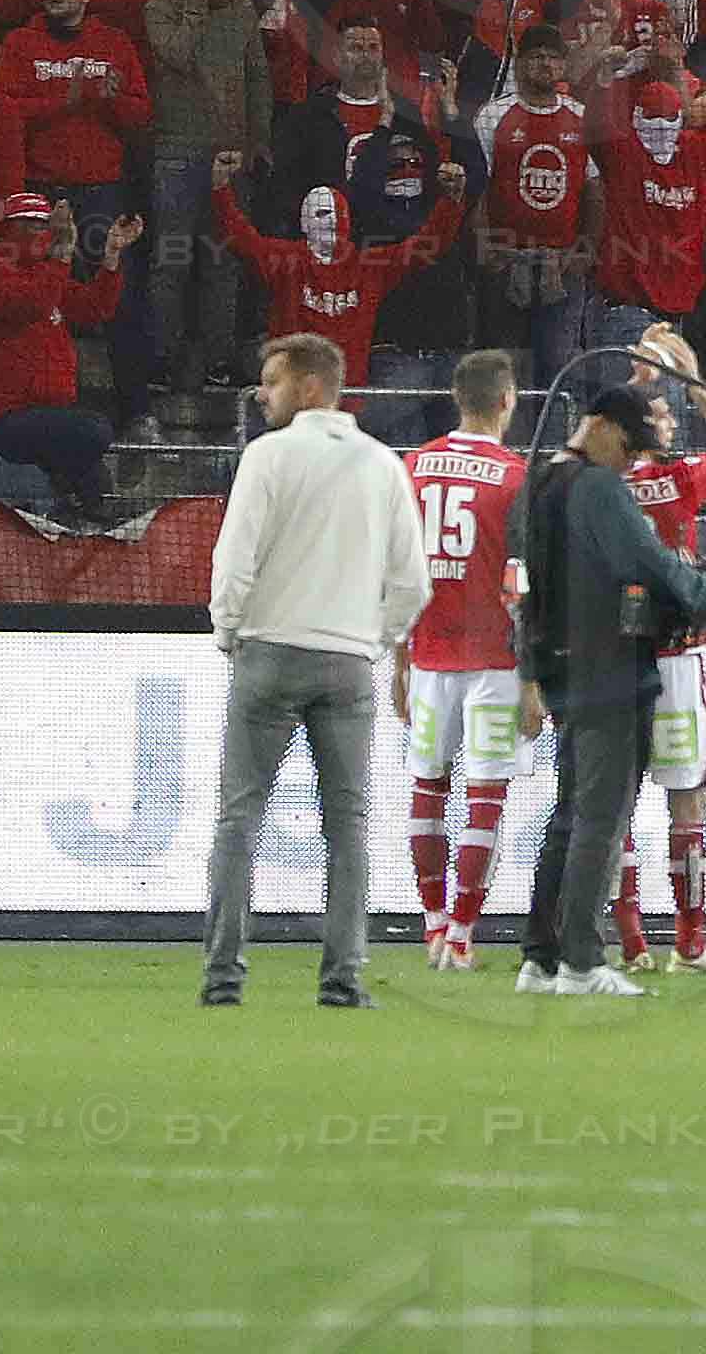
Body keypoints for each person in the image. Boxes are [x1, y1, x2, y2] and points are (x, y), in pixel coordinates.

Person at [200, 330, 422, 1008]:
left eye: (273, 380)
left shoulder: (267, 456)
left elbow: (235, 558)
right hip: (348, 660)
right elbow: (411, 581)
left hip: (269, 650)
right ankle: (342, 978)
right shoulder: (383, 464)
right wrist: (373, 639)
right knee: (348, 825)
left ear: (312, 386)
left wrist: (228, 629)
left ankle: (224, 977)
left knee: (240, 818)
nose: (262, 394)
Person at [506, 365, 706, 994]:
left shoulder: (539, 480)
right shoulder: (598, 489)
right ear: (598, 427)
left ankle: (540, 957)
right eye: (628, 448)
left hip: (561, 666)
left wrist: (528, 672)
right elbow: (648, 558)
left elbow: (520, 586)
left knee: (569, 816)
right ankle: (581, 961)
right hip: (609, 667)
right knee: (601, 818)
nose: (631, 463)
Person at [598, 326, 706, 976]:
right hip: (674, 659)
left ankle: (636, 944)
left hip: (611, 657)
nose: (670, 419)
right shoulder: (679, 481)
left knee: (617, 804)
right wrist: (691, 381)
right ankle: (688, 944)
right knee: (685, 798)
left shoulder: (594, 482)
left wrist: (635, 389)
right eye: (662, 413)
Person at [396, 350, 532, 970]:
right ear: (507, 401)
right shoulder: (514, 476)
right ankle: (462, 931)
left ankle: (429, 923)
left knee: (427, 788)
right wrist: (535, 678)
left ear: (457, 397)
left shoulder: (413, 466)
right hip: (495, 663)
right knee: (486, 795)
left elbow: (393, 572)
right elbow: (524, 585)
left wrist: (398, 660)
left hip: (427, 656)